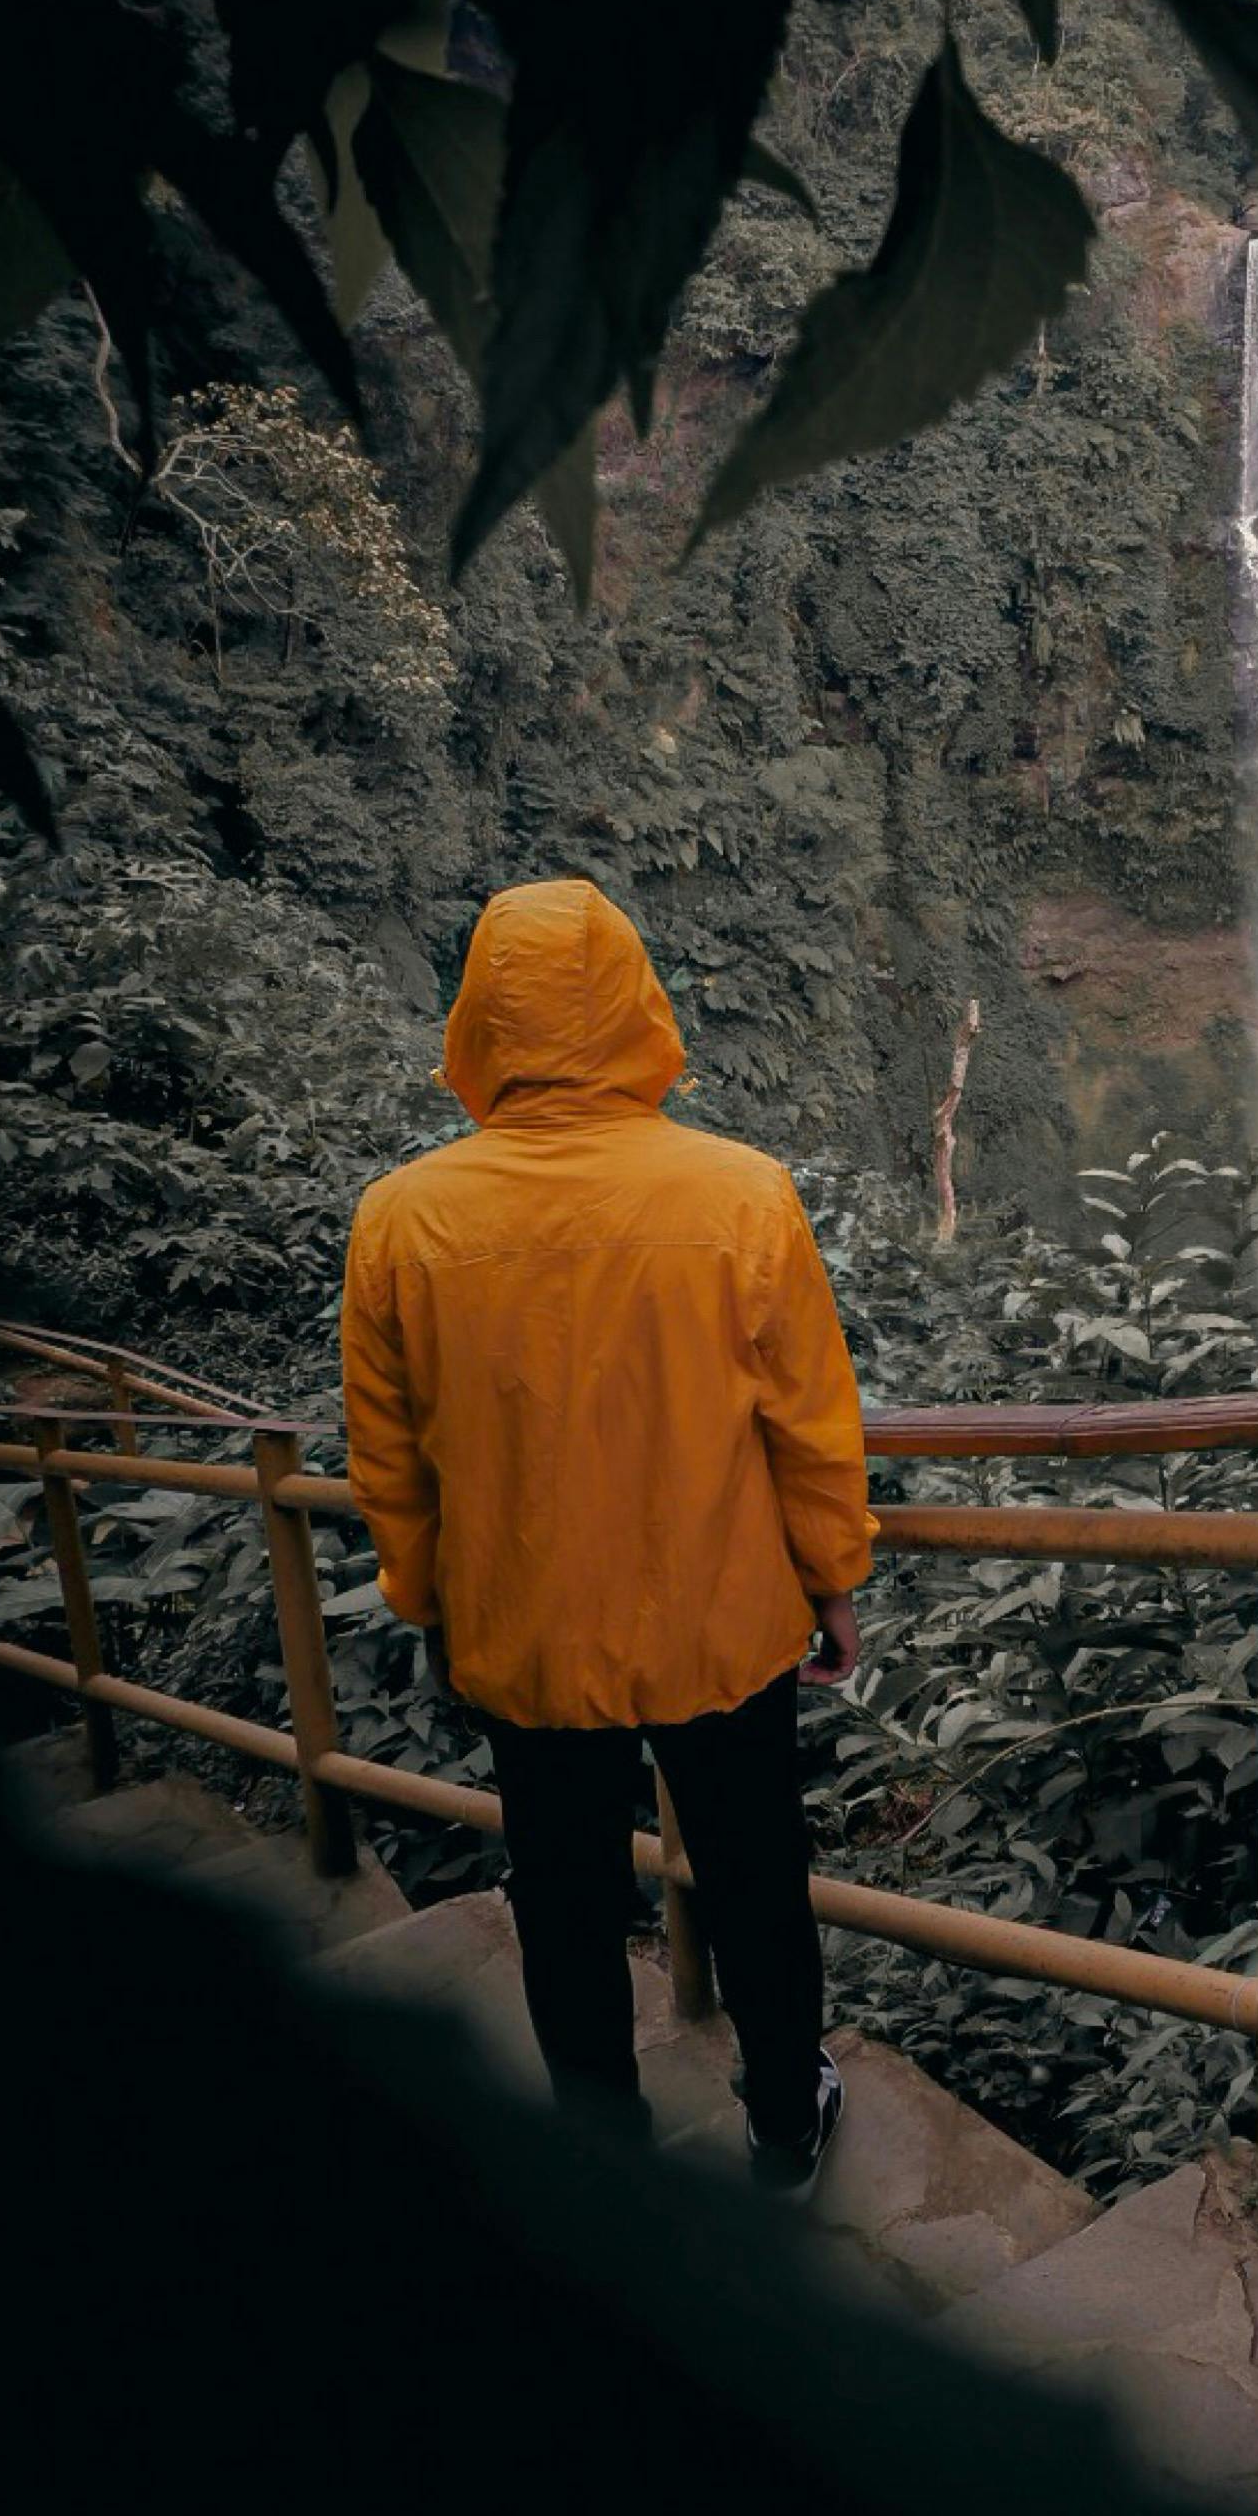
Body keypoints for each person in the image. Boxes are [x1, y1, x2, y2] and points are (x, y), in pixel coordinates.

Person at [339, 875, 872, 2188]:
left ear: (479, 1020)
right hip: (720, 1620)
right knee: (754, 1881)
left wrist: (428, 1598)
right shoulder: (742, 1195)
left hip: (526, 1630)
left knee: (565, 1901)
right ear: (638, 1004)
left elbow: (389, 1460)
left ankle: (599, 2154)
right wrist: (833, 1580)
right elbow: (809, 1428)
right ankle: (783, 2126)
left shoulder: (401, 1219)